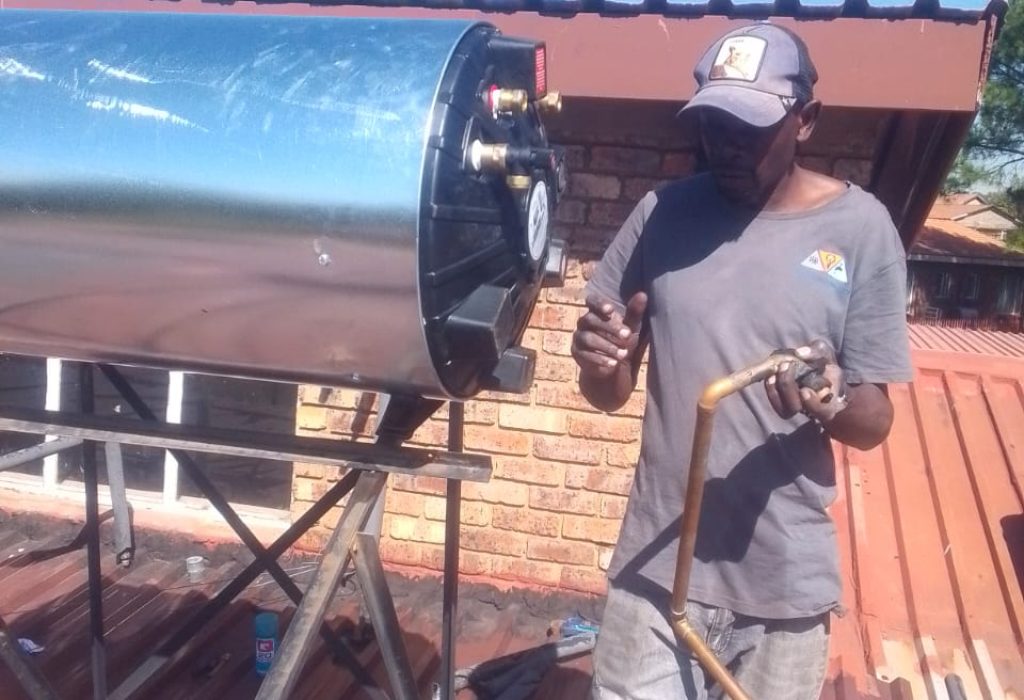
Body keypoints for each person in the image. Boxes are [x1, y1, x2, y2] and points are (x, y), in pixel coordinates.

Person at [572, 22, 913, 700]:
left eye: (750, 128)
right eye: (714, 126)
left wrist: (832, 399)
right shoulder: (660, 215)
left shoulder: (860, 230)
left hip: (782, 590)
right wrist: (599, 358)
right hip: (656, 571)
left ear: (806, 121)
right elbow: (607, 390)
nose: (726, 148)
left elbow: (875, 423)